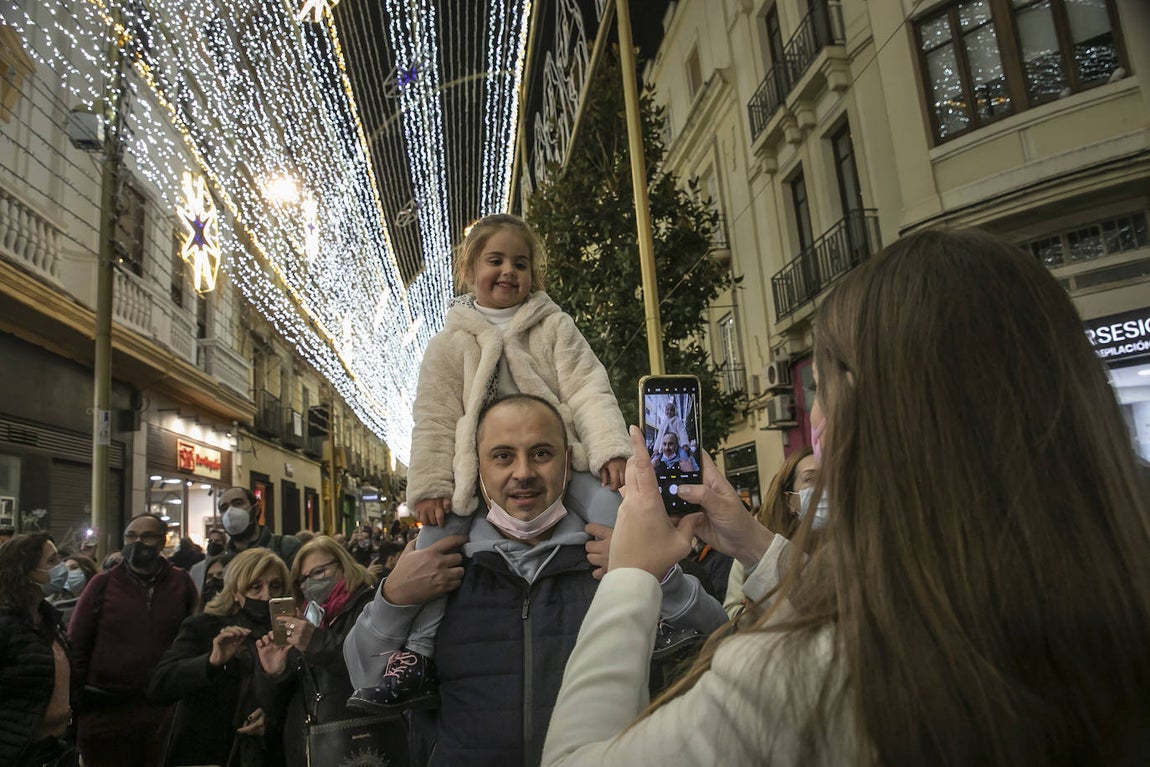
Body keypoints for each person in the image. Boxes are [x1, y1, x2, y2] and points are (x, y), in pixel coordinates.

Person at [540, 228, 1150, 765]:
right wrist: (757, 546)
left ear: (854, 414)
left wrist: (629, 576)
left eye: (819, 391)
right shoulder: (1112, 587)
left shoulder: (802, 677)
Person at [345, 394, 726, 765]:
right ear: (476, 469)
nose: (523, 472)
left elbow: (717, 650)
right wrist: (395, 598)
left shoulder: (621, 557)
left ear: (569, 462)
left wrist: (650, 574)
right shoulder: (437, 567)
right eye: (502, 456)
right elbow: (364, 678)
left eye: (541, 453)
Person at [362, 213, 633, 706]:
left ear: (533, 275)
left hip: (560, 460)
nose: (509, 271)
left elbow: (589, 388)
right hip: (474, 473)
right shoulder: (448, 344)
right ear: (469, 270)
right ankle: (418, 655)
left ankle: (645, 612)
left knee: (616, 514)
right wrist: (431, 486)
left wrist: (610, 448)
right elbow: (436, 418)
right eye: (496, 260)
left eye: (520, 263)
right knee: (433, 548)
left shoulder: (555, 326)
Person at [68, 513, 198, 767]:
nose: (138, 542)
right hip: (105, 711)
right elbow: (77, 642)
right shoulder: (102, 584)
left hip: (163, 710)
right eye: (131, 536)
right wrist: (78, 701)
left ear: (162, 541)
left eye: (147, 536)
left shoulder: (181, 582)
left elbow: (193, 636)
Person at [252, 536, 393, 765]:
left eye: (318, 572)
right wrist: (274, 674)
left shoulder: (369, 605)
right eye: (302, 579)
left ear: (342, 564)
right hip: (313, 746)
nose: (309, 583)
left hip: (360, 741)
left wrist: (315, 641)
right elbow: (279, 704)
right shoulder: (309, 617)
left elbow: (372, 666)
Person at [149, 548, 289, 767]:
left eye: (275, 586)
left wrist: (274, 717)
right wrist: (211, 662)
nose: (267, 595)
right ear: (235, 592)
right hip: (209, 752)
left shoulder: (289, 633)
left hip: (273, 754)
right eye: (255, 587)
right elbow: (160, 685)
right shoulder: (204, 627)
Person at [0, 533, 77, 767]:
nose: (61, 568)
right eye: (52, 561)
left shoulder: (49, 620)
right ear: (26, 571)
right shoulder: (6, 626)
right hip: (17, 753)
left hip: (55, 749)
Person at [723, 447, 816, 618]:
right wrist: (753, 611)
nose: (824, 487)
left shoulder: (851, 545)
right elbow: (731, 616)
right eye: (812, 478)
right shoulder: (754, 550)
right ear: (789, 499)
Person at [217, 487, 302, 568]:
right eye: (224, 508)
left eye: (238, 503)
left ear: (256, 509)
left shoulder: (288, 547)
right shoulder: (219, 563)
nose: (230, 512)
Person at [49, 553, 97, 628]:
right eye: (65, 571)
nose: (69, 573)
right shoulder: (53, 607)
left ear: (88, 570)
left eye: (74, 568)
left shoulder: (99, 601)